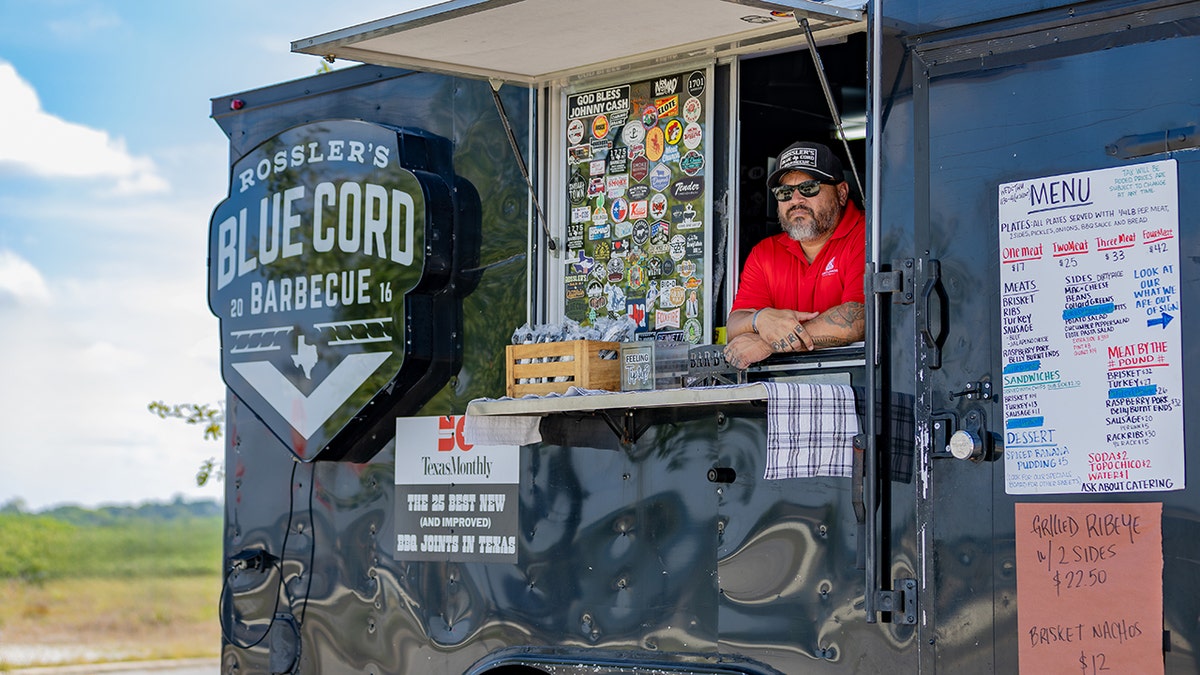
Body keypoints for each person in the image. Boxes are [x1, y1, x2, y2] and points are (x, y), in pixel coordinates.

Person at [723, 141, 865, 369]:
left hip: (859, 388)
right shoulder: (765, 253)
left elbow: (859, 319)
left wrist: (770, 343)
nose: (796, 200)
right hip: (786, 391)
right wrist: (761, 319)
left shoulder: (867, 233)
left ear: (841, 193)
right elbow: (734, 325)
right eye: (785, 192)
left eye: (809, 188)